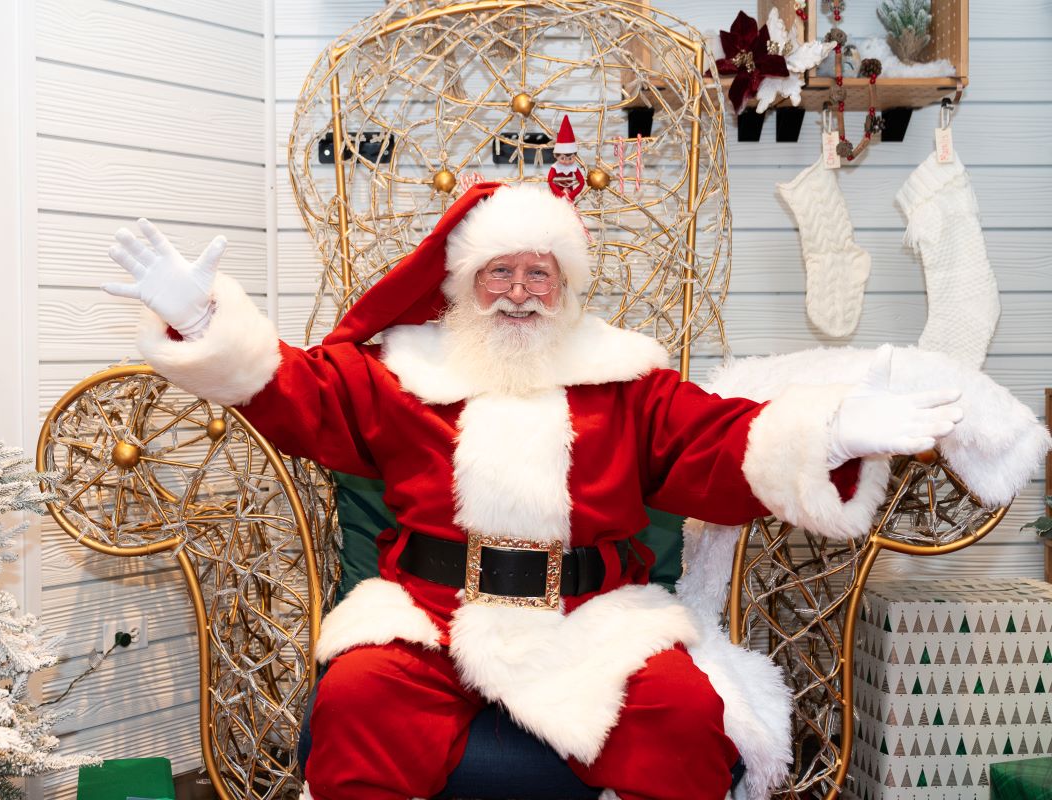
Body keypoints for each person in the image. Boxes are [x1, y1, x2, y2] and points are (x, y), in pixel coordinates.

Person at [102, 182, 962, 800]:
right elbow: (301, 394)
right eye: (498, 274)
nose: (518, 294)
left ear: (567, 286)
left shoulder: (625, 382)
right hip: (430, 613)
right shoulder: (405, 375)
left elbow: (720, 439)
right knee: (360, 698)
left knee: (682, 714)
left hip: (593, 624)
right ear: (463, 286)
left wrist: (834, 430)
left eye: (538, 275)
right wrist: (204, 321)